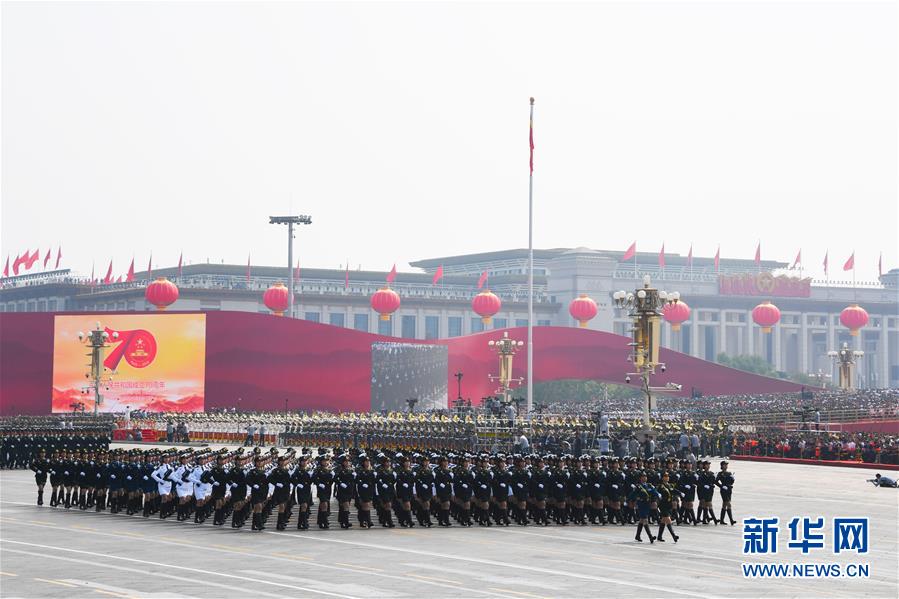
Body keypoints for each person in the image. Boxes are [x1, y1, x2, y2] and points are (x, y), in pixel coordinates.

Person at [715, 461, 736, 525]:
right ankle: (731, 520)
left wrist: (733, 479)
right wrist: (721, 486)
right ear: (721, 466)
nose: (726, 466)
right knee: (728, 504)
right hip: (724, 490)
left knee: (724, 505)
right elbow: (716, 481)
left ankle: (721, 520)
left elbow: (731, 482)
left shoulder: (729, 473)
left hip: (729, 490)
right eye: (724, 465)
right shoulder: (720, 473)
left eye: (726, 465)